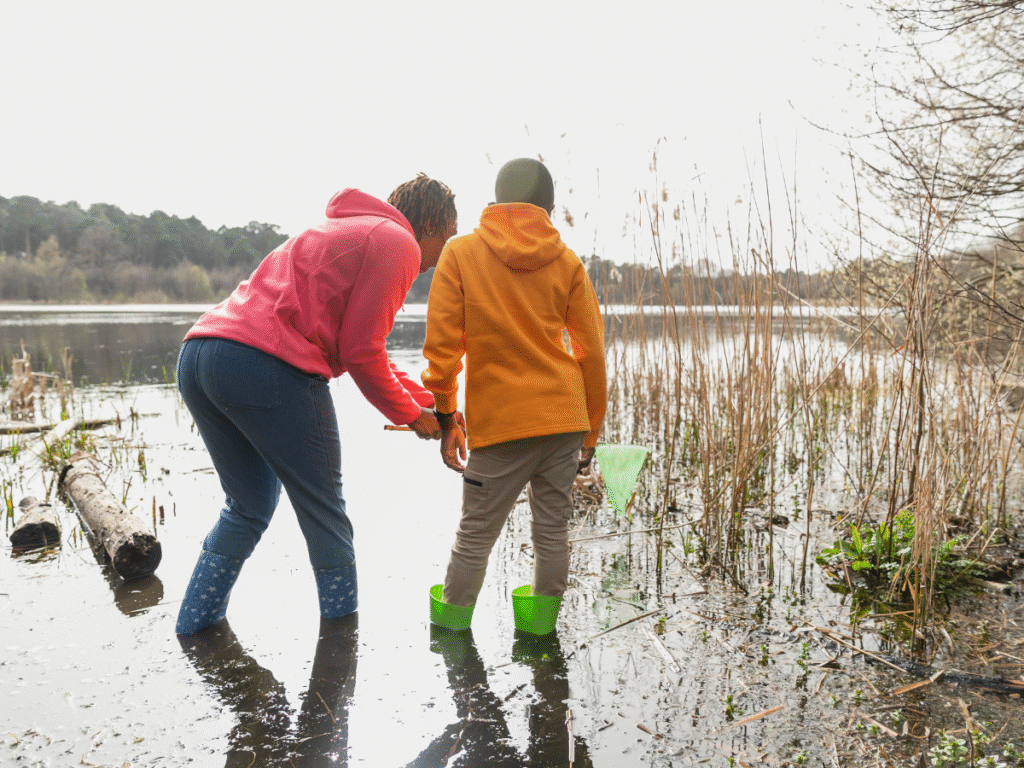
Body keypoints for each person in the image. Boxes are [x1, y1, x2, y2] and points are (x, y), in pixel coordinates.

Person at [175, 175, 457, 636]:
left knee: (247, 506)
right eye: (445, 240)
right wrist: (411, 418)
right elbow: (361, 353)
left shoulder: (356, 230)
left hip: (202, 352)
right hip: (267, 363)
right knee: (326, 513)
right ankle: (341, 650)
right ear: (428, 224)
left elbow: (368, 349)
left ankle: (195, 631)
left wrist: (434, 406)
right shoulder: (398, 242)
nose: (439, 258)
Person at [421, 158, 607, 635]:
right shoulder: (566, 261)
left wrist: (447, 419)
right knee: (551, 534)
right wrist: (592, 429)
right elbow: (591, 353)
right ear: (547, 207)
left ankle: (450, 639)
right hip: (563, 420)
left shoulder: (460, 254)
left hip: (500, 426)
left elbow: (443, 351)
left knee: (475, 536)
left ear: (498, 199)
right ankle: (540, 635)